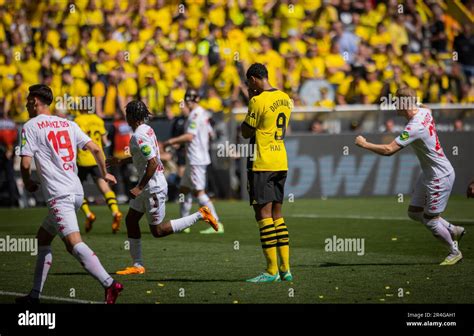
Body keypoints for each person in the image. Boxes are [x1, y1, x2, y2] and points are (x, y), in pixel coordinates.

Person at [17, 84, 123, 304]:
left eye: (28, 100)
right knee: (43, 238)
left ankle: (110, 284)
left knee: (74, 243)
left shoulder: (30, 126)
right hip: (76, 191)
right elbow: (95, 148)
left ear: (35, 101)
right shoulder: (68, 123)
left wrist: (27, 182)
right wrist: (105, 174)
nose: (26, 104)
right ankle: (35, 295)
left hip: (59, 194)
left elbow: (25, 164)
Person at [355, 87, 465, 266]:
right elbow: (424, 106)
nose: (395, 105)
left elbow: (389, 150)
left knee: (431, 221)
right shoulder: (424, 111)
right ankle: (453, 229)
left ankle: (454, 252)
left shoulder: (415, 127)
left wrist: (364, 144)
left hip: (439, 176)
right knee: (414, 213)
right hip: (430, 173)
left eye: (397, 102)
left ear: (405, 104)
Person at [109, 100, 218, 275]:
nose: (125, 117)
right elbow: (143, 157)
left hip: (152, 187)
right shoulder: (147, 130)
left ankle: (201, 214)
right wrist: (121, 161)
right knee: (131, 220)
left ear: (131, 116)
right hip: (147, 185)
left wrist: (140, 187)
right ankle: (137, 266)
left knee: (158, 231)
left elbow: (152, 163)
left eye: (127, 114)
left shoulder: (139, 135)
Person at [240, 63, 293, 282]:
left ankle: (271, 271)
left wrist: (251, 99)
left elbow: (245, 132)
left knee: (263, 215)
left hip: (261, 162)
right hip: (280, 160)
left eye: (248, 82)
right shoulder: (285, 98)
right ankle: (286, 269)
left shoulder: (256, 100)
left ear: (254, 79)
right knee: (278, 216)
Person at [164, 89, 224, 234]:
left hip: (196, 158)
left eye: (187, 100)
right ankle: (184, 224)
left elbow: (190, 136)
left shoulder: (194, 115)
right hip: (195, 157)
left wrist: (171, 141)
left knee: (199, 192)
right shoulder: (203, 113)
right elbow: (210, 133)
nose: (186, 103)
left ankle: (216, 223)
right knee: (184, 189)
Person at [75, 109, 123, 233]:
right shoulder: (98, 119)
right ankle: (115, 211)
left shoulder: (77, 120)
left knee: (75, 191)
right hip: (97, 158)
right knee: (105, 188)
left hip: (82, 159)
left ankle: (88, 214)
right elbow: (105, 142)